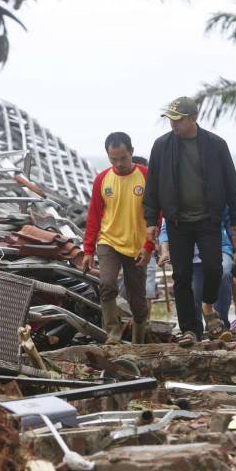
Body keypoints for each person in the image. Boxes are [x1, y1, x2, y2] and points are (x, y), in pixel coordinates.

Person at [143, 96, 236, 345]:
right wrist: (150, 221)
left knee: (214, 268)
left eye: (177, 120)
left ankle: (207, 305)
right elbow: (153, 185)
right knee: (182, 276)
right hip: (177, 222)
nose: (173, 125)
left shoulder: (216, 145)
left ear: (193, 118)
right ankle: (190, 330)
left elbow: (232, 183)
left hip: (208, 220)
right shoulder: (161, 146)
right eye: (170, 120)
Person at [82, 132, 154, 345]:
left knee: (138, 300)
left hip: (137, 246)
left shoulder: (146, 176)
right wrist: (88, 250)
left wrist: (149, 246)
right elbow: (94, 216)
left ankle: (139, 339)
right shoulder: (102, 179)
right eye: (114, 159)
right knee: (106, 283)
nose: (119, 163)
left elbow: (155, 215)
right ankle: (113, 335)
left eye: (123, 157)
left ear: (131, 151)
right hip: (108, 241)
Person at [159, 208, 234, 339]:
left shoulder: (212, 194)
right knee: (195, 292)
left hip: (218, 247)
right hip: (190, 254)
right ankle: (195, 332)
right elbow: (166, 228)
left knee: (224, 273)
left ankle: (222, 323)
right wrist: (165, 251)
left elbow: (229, 218)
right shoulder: (173, 200)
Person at [118, 156, 159, 320]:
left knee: (146, 289)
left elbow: (158, 219)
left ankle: (144, 325)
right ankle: (132, 323)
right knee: (127, 288)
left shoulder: (150, 194)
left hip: (146, 247)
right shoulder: (125, 193)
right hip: (123, 246)